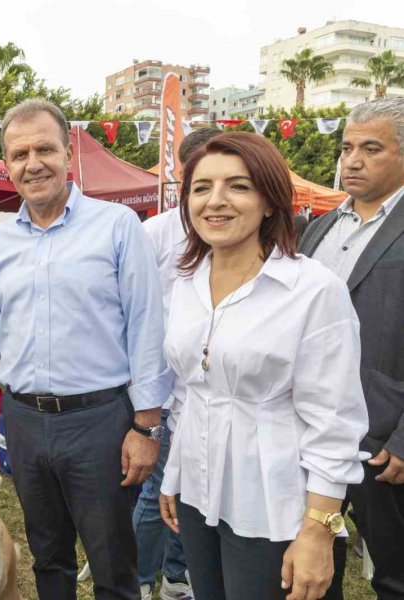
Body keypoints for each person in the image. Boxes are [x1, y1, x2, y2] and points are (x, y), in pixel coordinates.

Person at [0, 99, 169, 600]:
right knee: (48, 557)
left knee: (113, 562)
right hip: (23, 423)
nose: (33, 163)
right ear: (6, 166)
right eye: (19, 154)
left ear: (69, 153)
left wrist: (147, 426)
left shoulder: (116, 226)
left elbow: (147, 329)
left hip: (101, 422)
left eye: (45, 148)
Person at [158, 132, 368, 600]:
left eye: (238, 186)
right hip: (197, 492)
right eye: (201, 187)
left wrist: (317, 531)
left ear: (270, 202)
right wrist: (173, 475)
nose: (216, 201)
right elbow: (190, 392)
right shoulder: (185, 281)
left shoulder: (312, 290)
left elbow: (335, 424)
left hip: (274, 507)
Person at [299, 97, 404, 599]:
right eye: (346, 147)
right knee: (314, 568)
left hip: (383, 442)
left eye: (371, 148)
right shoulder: (318, 228)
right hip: (315, 437)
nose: (352, 160)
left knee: (395, 575)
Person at [134, 127, 222, 600]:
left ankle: (175, 575)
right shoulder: (155, 233)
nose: (213, 193)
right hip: (166, 393)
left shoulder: (240, 231)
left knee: (196, 496)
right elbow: (134, 311)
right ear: (182, 177)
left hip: (219, 392)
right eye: (200, 180)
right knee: (158, 493)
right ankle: (142, 580)